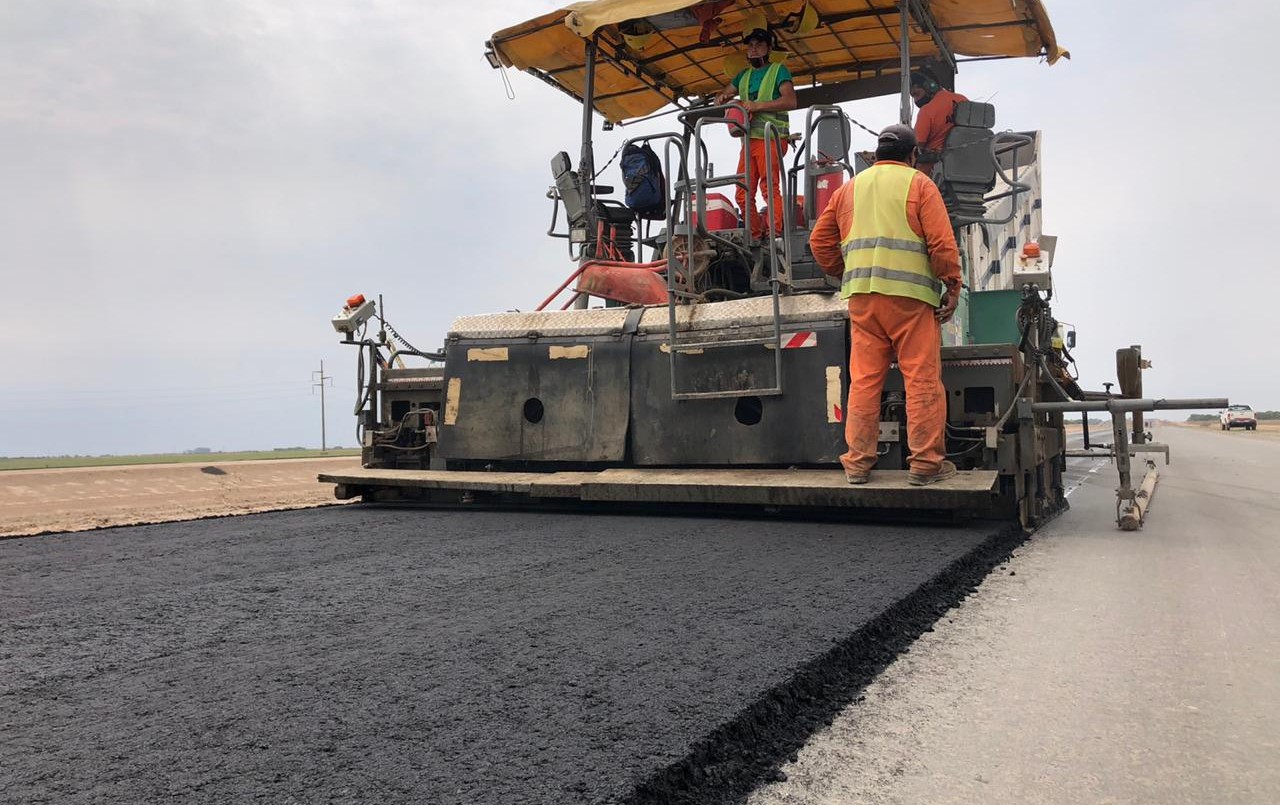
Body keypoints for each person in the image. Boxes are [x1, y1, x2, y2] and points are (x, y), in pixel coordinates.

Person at [808, 124, 963, 486]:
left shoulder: (849, 189)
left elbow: (819, 241)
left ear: (876, 156)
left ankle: (858, 464)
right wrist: (952, 285)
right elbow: (941, 244)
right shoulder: (919, 184)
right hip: (910, 300)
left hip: (863, 298)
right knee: (921, 379)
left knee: (863, 382)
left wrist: (843, 270)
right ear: (912, 156)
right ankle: (925, 464)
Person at [712, 27, 797, 240]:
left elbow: (791, 101)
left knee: (769, 188)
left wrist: (757, 106)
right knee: (742, 192)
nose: (753, 49)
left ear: (768, 48)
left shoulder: (779, 70)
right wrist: (722, 97)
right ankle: (756, 235)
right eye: (750, 45)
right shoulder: (744, 75)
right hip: (749, 142)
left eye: (759, 44)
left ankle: (774, 235)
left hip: (771, 139)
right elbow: (724, 93)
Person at [910, 69, 968, 179]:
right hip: (966, 169)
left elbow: (915, 148)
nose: (916, 100)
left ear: (929, 86)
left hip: (933, 176)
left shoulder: (927, 111)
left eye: (916, 94)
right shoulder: (964, 100)